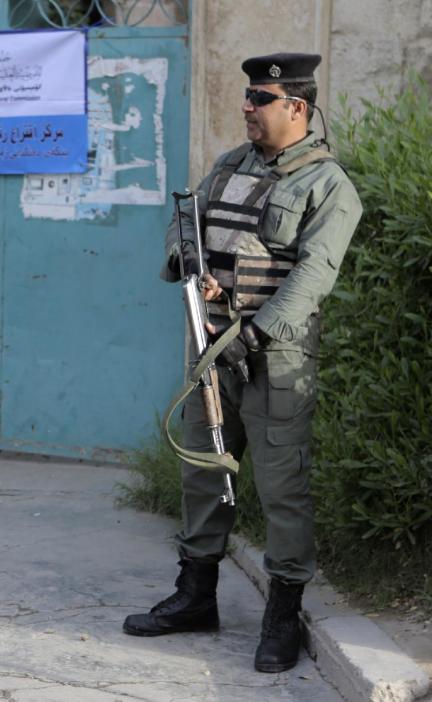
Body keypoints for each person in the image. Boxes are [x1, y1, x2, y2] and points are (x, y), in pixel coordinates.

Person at [123, 53, 362, 673]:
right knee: (204, 472)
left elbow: (314, 276)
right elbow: (188, 222)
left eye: (260, 98)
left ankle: (282, 614)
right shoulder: (231, 164)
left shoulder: (329, 186)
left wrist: (258, 330)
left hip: (275, 358)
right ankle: (195, 596)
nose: (247, 108)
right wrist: (189, 264)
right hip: (213, 348)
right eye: (248, 97)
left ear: (296, 107)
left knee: (283, 488)